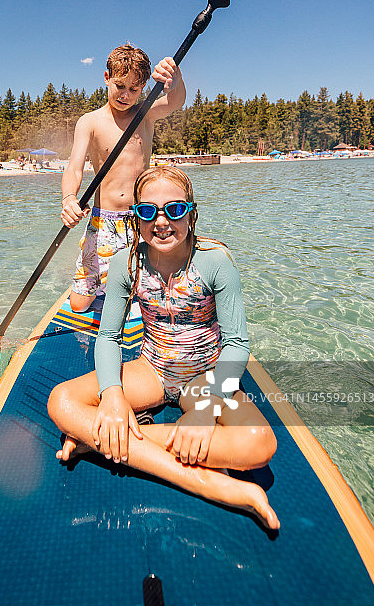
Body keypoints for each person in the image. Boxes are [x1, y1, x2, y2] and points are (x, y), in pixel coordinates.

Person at [48, 166, 279, 529]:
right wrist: (112, 396)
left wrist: (206, 410)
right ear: (135, 216)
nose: (161, 221)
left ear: (191, 212)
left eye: (174, 209)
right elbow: (108, 337)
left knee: (259, 442)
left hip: (204, 376)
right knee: (61, 401)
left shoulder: (215, 261)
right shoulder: (127, 262)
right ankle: (205, 482)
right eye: (147, 211)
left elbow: (236, 344)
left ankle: (94, 441)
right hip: (152, 371)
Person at [61, 44, 186, 313]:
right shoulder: (90, 122)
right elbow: (74, 169)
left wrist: (175, 80)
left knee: (145, 292)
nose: (125, 95)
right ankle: (107, 291)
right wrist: (69, 198)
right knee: (79, 305)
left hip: (141, 219)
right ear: (107, 77)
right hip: (102, 221)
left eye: (134, 89)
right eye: (119, 86)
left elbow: (175, 101)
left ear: (143, 89)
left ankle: (137, 292)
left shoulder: (144, 115)